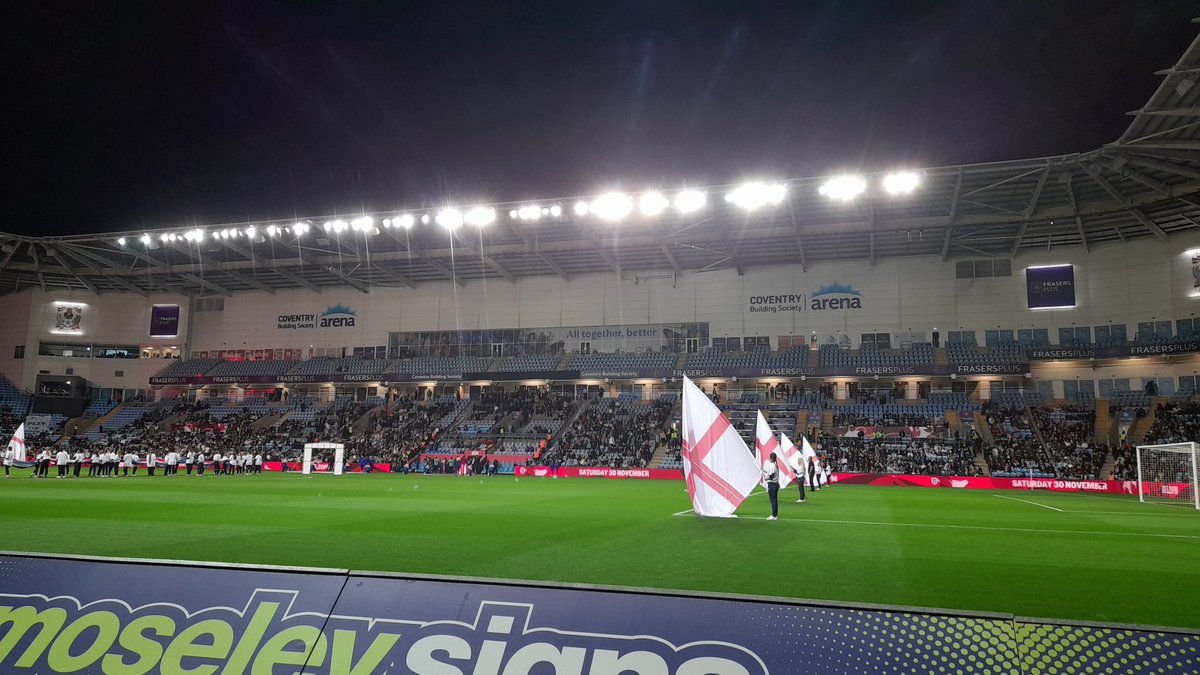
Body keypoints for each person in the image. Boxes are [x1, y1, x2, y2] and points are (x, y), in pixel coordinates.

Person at [763, 452, 780, 520]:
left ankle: (774, 515)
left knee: (773, 500)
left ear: (770, 457)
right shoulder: (775, 464)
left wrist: (766, 478)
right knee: (774, 500)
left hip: (772, 484)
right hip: (775, 484)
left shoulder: (772, 465)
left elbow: (771, 476)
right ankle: (774, 514)